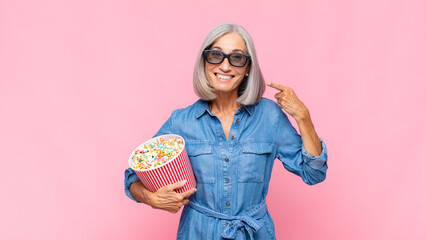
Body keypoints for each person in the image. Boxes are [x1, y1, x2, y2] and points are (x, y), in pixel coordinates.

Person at [124, 22, 328, 240]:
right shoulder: (181, 122)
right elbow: (132, 178)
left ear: (248, 67)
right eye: (216, 55)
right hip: (197, 233)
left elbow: (314, 173)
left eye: (237, 58)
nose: (225, 66)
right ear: (204, 61)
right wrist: (150, 198)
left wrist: (304, 118)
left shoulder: (270, 116)